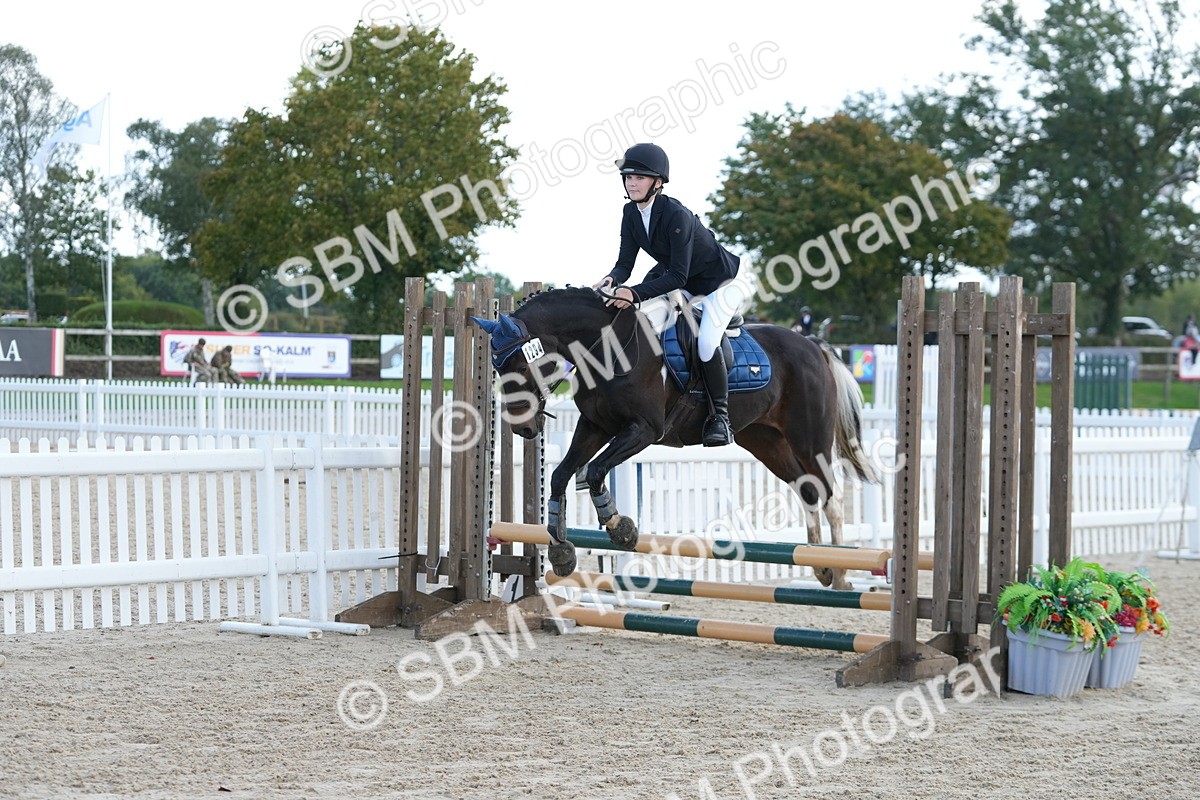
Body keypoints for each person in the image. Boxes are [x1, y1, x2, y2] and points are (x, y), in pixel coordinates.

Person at [593, 142, 750, 447]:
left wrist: (633, 293)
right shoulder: (630, 212)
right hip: (683, 281)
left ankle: (720, 418)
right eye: (628, 177)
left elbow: (677, 275)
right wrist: (612, 279)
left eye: (639, 177)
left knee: (705, 342)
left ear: (658, 182)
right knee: (641, 323)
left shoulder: (676, 214)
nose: (631, 183)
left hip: (720, 284)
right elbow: (625, 263)